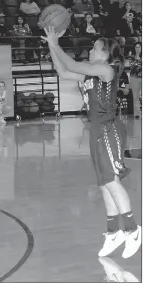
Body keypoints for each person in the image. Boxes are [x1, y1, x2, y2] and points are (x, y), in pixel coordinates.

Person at [41, 26, 141, 259]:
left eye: (95, 47)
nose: (90, 50)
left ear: (106, 53)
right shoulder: (91, 74)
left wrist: (56, 44)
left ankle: (133, 229)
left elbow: (73, 65)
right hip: (96, 129)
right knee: (104, 183)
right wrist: (50, 45)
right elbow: (63, 71)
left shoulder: (106, 70)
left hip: (108, 128)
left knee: (111, 181)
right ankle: (113, 231)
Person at [128, 42, 142, 119]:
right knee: (135, 96)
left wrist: (139, 60)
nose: (137, 49)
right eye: (136, 47)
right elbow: (132, 66)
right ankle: (137, 114)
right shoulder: (131, 56)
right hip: (134, 77)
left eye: (139, 47)